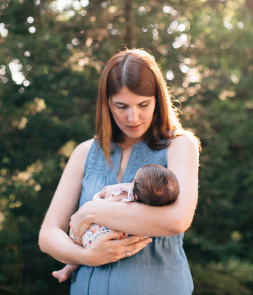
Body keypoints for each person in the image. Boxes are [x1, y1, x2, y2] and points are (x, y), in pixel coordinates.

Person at [39, 49, 200, 294]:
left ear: (158, 100)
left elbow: (177, 219)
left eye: (143, 104)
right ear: (107, 104)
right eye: (121, 105)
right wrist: (87, 256)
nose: (132, 116)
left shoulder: (179, 146)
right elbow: (48, 234)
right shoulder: (84, 153)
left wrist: (93, 211)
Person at [52, 163, 180, 283]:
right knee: (84, 249)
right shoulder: (153, 211)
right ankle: (67, 269)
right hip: (113, 242)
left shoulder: (126, 196)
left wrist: (105, 195)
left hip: (93, 235)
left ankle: (67, 269)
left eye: (134, 182)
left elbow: (100, 205)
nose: (130, 184)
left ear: (135, 193)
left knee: (80, 247)